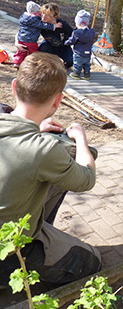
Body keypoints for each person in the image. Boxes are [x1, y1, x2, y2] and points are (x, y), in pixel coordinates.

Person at [0, 52, 101, 287]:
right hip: (9, 249)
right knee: (91, 261)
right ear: (57, 101)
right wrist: (81, 139)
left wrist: (36, 127)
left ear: (15, 87)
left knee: (53, 175)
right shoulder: (44, 150)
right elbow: (87, 178)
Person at [12, 1, 62, 68]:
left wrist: (17, 41)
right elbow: (42, 25)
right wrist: (54, 26)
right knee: (34, 53)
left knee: (21, 52)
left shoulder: (24, 17)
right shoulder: (34, 20)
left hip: (21, 38)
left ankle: (17, 62)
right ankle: (34, 64)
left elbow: (20, 30)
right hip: (31, 40)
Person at [65, 9, 95, 80]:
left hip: (79, 52)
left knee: (77, 64)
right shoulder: (91, 31)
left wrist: (66, 43)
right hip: (88, 52)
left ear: (78, 23)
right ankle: (87, 74)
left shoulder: (77, 32)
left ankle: (77, 73)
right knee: (87, 64)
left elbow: (72, 40)